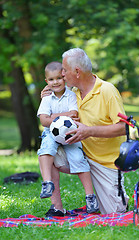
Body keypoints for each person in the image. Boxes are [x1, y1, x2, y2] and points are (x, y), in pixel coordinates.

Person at [41, 49, 129, 217]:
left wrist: (89, 131)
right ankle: (56, 208)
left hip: (105, 163)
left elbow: (123, 128)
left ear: (77, 72)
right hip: (78, 153)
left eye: (64, 70)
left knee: (115, 213)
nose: (62, 74)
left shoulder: (107, 91)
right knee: (47, 153)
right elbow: (50, 115)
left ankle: (117, 196)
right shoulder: (71, 94)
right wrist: (46, 98)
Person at [37, 61, 99, 215]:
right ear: (47, 81)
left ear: (64, 77)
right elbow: (44, 121)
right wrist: (60, 117)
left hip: (70, 134)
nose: (55, 82)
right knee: (45, 150)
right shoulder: (46, 99)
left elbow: (74, 114)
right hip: (51, 133)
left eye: (59, 78)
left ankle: (90, 197)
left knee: (79, 159)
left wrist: (52, 116)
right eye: (51, 79)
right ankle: (47, 183)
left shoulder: (71, 95)